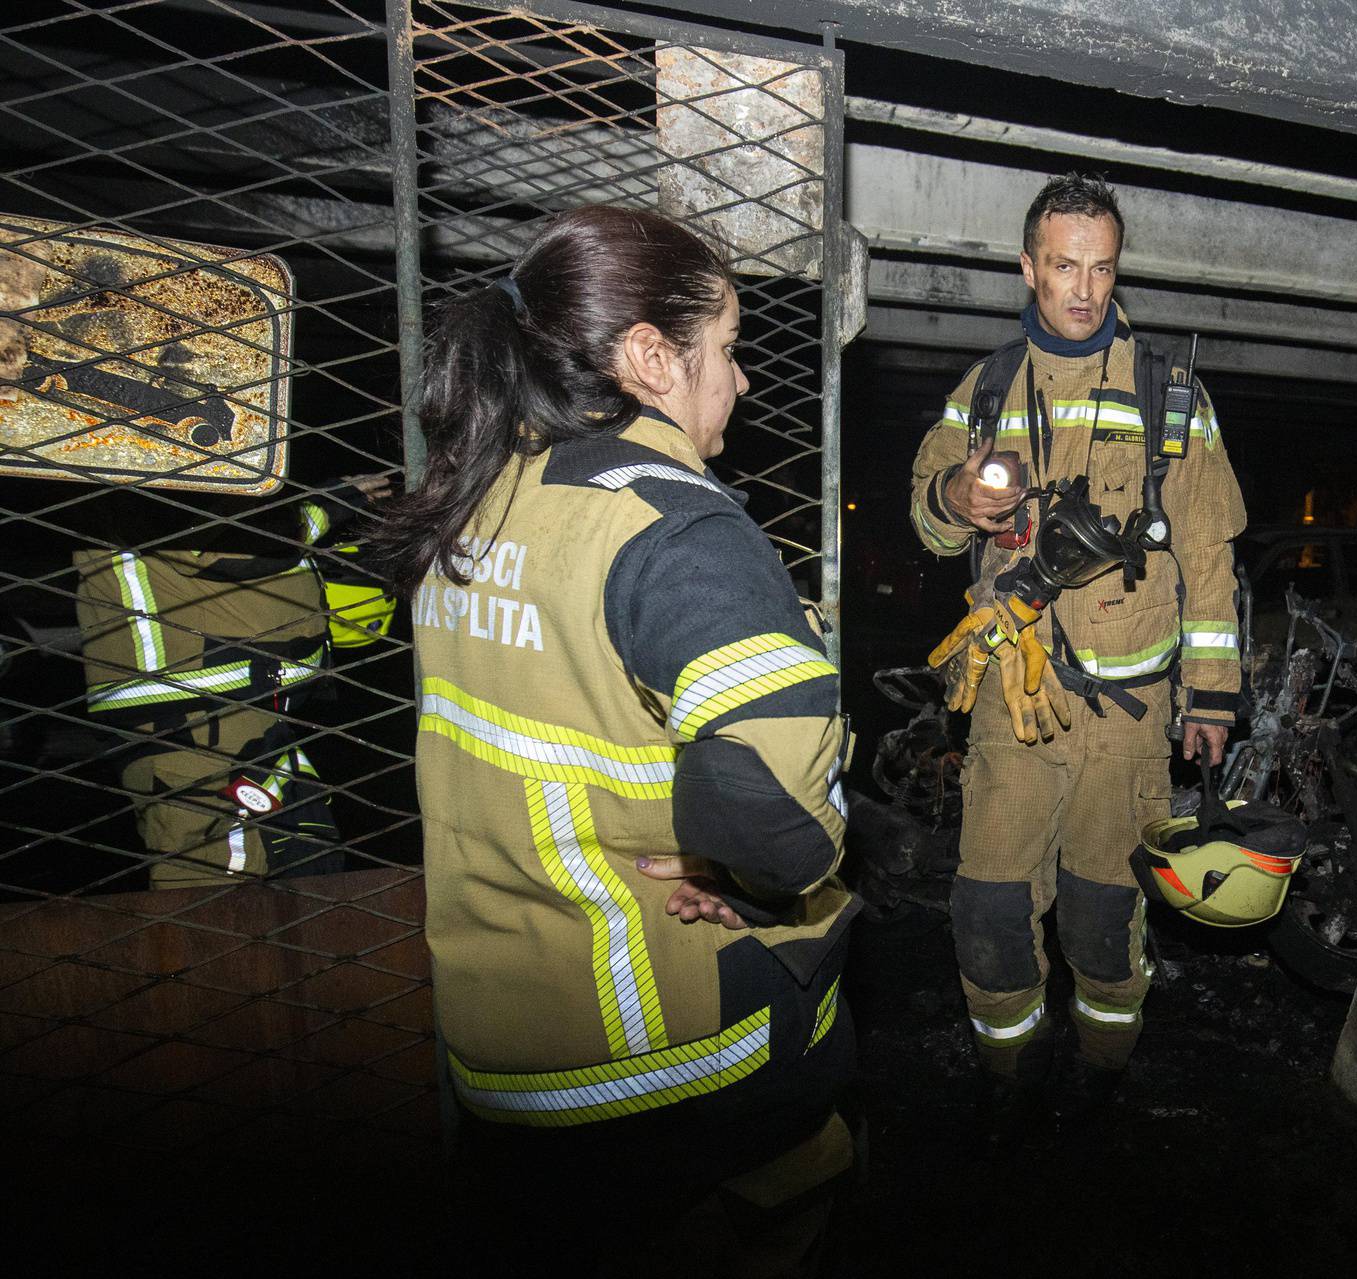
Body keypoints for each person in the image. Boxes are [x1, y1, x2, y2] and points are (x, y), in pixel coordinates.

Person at [367, 205, 856, 1277]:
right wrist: (754, 878)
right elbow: (777, 817)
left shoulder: (480, 500)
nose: (739, 383)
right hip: (670, 1050)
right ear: (650, 357)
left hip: (506, 1047)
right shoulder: (673, 527)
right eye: (725, 350)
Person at [908, 174, 1247, 1119]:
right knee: (985, 916)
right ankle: (1011, 1086)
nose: (1085, 289)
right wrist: (955, 499)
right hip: (1011, 711)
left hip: (1126, 727)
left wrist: (1212, 699)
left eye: (1102, 268)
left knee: (1104, 927)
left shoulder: (1170, 395)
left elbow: (1209, 556)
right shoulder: (981, 390)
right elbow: (928, 515)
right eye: (1064, 267)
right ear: (1028, 266)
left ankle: (1104, 1084)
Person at [72, 471, 391, 890]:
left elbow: (247, 540)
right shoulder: (144, 487)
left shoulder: (180, 490)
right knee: (216, 902)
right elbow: (232, 543)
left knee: (302, 876)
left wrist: (322, 510)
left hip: (232, 723)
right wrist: (324, 508)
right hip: (191, 732)